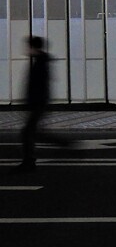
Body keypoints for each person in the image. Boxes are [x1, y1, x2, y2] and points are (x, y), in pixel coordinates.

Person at [16, 35, 65, 172]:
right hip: (40, 101)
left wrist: (32, 100)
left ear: (33, 47)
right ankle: (65, 145)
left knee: (28, 132)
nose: (26, 49)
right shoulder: (41, 60)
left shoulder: (41, 61)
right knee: (35, 132)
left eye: (28, 46)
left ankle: (29, 162)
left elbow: (39, 84)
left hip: (39, 102)